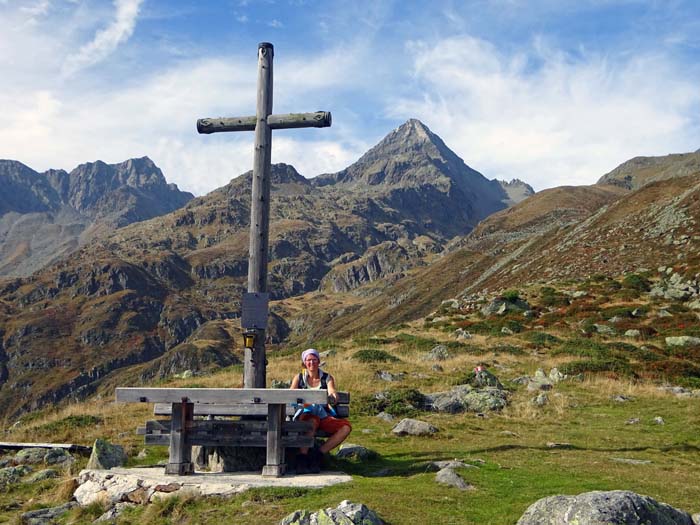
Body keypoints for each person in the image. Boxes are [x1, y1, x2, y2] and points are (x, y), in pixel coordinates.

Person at [290, 348, 352, 473]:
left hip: (323, 415)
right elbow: (291, 394)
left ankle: (317, 455)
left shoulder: (327, 378)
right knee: (311, 422)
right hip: (306, 414)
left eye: (314, 360)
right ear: (304, 362)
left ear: (318, 361)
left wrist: (333, 396)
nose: (311, 363)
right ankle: (302, 459)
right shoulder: (299, 377)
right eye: (308, 360)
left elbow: (332, 391)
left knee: (345, 427)